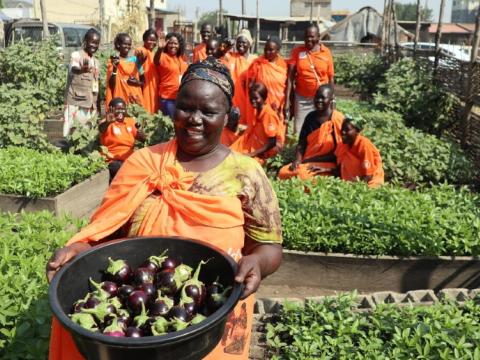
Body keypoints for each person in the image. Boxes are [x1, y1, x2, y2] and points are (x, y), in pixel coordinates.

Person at [46, 58, 283, 360]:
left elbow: (269, 246)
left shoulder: (247, 174)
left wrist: (258, 264)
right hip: (142, 314)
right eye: (185, 107)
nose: (194, 119)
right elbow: (108, 231)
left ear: (227, 116)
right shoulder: (142, 162)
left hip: (211, 314)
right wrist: (78, 249)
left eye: (208, 111)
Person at [278, 84, 343, 180]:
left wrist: (311, 160)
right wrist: (298, 160)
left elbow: (340, 151)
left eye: (323, 98)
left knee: (302, 176)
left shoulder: (337, 119)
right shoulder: (310, 117)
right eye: (317, 97)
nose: (319, 101)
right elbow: (301, 143)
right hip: (308, 161)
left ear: (331, 99)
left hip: (328, 163)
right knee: (283, 172)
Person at [285, 24, 334, 133]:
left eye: (312, 36)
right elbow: (290, 78)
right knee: (299, 130)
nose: (308, 39)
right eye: (306, 36)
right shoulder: (297, 52)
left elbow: (331, 78)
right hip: (302, 99)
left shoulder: (326, 53)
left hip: (321, 99)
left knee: (320, 129)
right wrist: (288, 101)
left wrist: (332, 98)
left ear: (318, 37)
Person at [230, 82, 283, 163]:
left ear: (263, 97)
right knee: (229, 153)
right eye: (251, 98)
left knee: (241, 163)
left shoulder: (268, 114)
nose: (253, 101)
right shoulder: (257, 109)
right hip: (254, 143)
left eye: (256, 98)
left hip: (264, 151)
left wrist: (252, 154)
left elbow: (272, 142)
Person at [63, 28, 100, 137]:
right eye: (92, 42)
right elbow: (74, 69)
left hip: (90, 103)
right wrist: (82, 69)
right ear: (85, 41)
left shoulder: (96, 62)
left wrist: (97, 105)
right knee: (71, 133)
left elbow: (96, 85)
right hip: (75, 102)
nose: (94, 45)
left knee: (86, 134)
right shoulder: (76, 55)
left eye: (97, 43)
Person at [99, 97, 146, 181]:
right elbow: (101, 129)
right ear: (110, 109)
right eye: (117, 109)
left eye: (122, 109)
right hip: (112, 160)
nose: (120, 112)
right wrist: (108, 122)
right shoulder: (106, 122)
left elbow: (143, 139)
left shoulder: (131, 121)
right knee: (120, 168)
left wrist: (142, 136)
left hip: (129, 159)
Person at [332, 118, 384, 188]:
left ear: (356, 131)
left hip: (369, 186)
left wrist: (353, 189)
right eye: (342, 129)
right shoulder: (343, 145)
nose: (343, 132)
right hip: (350, 184)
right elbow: (339, 166)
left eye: (347, 130)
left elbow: (368, 176)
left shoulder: (364, 145)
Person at [247, 36, 288, 125]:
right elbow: (250, 84)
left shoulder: (284, 66)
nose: (267, 52)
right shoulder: (258, 63)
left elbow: (286, 86)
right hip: (259, 104)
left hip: (277, 105)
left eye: (271, 50)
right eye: (265, 49)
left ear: (278, 51)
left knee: (275, 131)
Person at [224, 30, 257, 128]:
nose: (241, 45)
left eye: (244, 42)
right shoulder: (231, 57)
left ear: (249, 44)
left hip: (249, 97)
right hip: (234, 97)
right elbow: (220, 50)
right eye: (239, 42)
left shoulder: (255, 60)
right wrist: (227, 44)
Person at [106, 33, 145, 110]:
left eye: (129, 44)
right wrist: (114, 68)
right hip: (120, 98)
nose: (127, 46)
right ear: (118, 45)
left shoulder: (135, 60)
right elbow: (111, 85)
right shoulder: (113, 61)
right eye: (125, 44)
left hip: (134, 97)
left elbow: (143, 81)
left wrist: (137, 82)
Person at [154, 32, 188, 119]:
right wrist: (159, 49)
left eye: (175, 43)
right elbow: (156, 61)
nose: (173, 46)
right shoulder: (163, 56)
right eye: (170, 43)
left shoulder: (181, 58)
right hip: (167, 98)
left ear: (180, 45)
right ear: (166, 44)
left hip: (181, 98)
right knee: (172, 123)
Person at [135, 29, 160, 114]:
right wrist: (140, 54)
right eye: (149, 40)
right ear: (144, 40)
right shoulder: (143, 49)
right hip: (145, 86)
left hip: (154, 87)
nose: (151, 42)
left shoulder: (154, 54)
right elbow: (141, 53)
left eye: (154, 40)